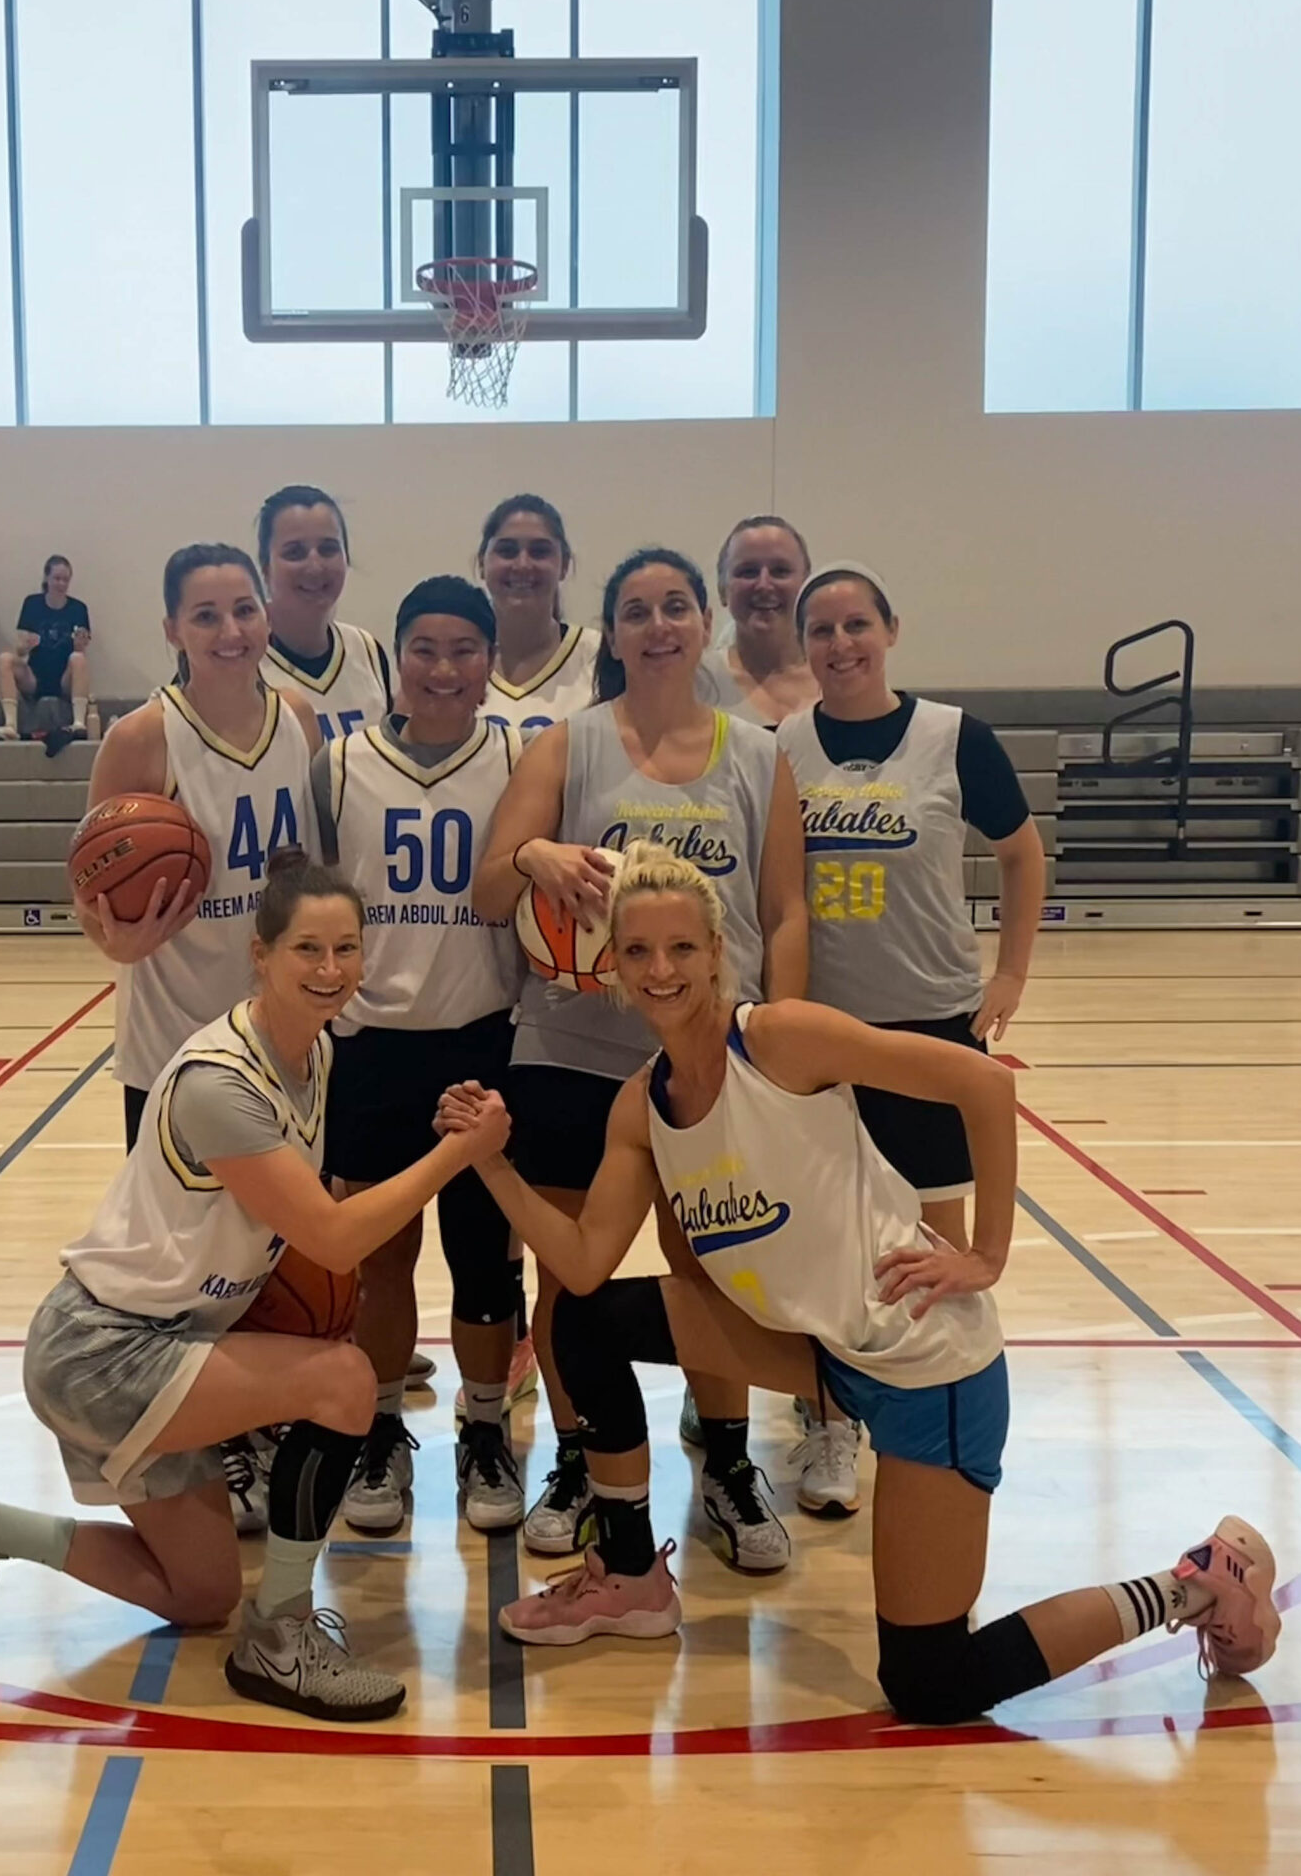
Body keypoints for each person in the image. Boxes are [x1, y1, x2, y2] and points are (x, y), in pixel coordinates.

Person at [431, 844, 1281, 1720]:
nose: (661, 969)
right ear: (611, 962)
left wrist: (988, 1255)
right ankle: (634, 1579)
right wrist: (491, 1165)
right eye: (639, 950)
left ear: (718, 953)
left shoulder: (782, 1039)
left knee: (929, 1683)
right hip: (824, 1355)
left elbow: (983, 1085)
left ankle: (1195, 1584)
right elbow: (578, 1262)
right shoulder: (642, 1105)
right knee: (589, 1319)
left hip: (927, 1370)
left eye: (682, 948)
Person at [0, 854, 512, 1722]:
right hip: (106, 1350)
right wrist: (461, 1153)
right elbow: (335, 1238)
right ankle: (283, 1638)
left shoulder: (314, 1052)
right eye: (308, 948)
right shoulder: (220, 1083)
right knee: (341, 1379)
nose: (331, 968)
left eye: (347, 947)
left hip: (169, 1337)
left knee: (197, 1595)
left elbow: (304, 1219)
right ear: (260, 956)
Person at [470, 547, 808, 1573]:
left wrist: (776, 1033)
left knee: (712, 1266)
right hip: (571, 1049)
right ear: (607, 635)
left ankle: (728, 1464)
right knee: (574, 1278)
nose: (657, 626)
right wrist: (531, 855)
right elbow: (490, 889)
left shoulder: (757, 753)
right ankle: (580, 1458)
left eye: (674, 608)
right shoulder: (565, 749)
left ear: (703, 622)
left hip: (709, 1058)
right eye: (634, 612)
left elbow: (782, 908)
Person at [771, 562, 1048, 1510]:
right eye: (821, 630)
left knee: (936, 1236)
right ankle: (832, 1427)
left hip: (930, 1017)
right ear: (801, 646)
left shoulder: (955, 737)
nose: (840, 645)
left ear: (891, 629)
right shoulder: (783, 747)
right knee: (826, 1238)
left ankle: (940, 1404)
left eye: (857, 625)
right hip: (823, 1028)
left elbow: (1021, 852)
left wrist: (1009, 972)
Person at [76, 542, 323, 1535]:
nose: (230, 632)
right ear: (172, 629)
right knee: (179, 1265)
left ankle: (255, 1421)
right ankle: (188, 1436)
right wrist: (122, 935)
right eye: (206, 615)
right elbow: (96, 907)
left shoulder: (300, 722)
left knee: (266, 1252)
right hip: (176, 1052)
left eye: (243, 610)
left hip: (281, 1046)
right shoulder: (143, 739)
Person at [312, 576, 529, 1535]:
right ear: (395, 659)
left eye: (464, 650)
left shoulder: (522, 758)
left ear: (490, 663)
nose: (444, 669)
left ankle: (486, 1432)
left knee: (486, 1261)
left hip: (484, 1039)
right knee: (381, 1261)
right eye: (424, 649)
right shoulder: (340, 765)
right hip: (369, 1050)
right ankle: (381, 1433)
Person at [256, 486, 392, 742]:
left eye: (328, 549)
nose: (315, 565)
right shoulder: (236, 658)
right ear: (266, 568)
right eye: (294, 552)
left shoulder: (366, 650)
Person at [474, 495, 599, 739]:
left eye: (539, 552)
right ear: (482, 563)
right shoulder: (455, 661)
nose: (522, 564)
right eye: (507, 551)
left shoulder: (600, 659)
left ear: (564, 565)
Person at [698, 516, 819, 727]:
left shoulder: (838, 675)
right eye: (748, 572)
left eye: (780, 571)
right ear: (722, 589)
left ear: (806, 585)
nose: (764, 584)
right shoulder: (697, 682)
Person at [0, 556, 95, 742]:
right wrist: (25, 646)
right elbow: (19, 649)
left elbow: (80, 654)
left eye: (65, 580)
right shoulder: (32, 604)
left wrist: (80, 644)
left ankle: (78, 723)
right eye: (57, 578)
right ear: (47, 579)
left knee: (78, 659)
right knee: (5, 658)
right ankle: (10, 724)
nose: (61, 584)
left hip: (64, 679)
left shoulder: (78, 609)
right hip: (35, 676)